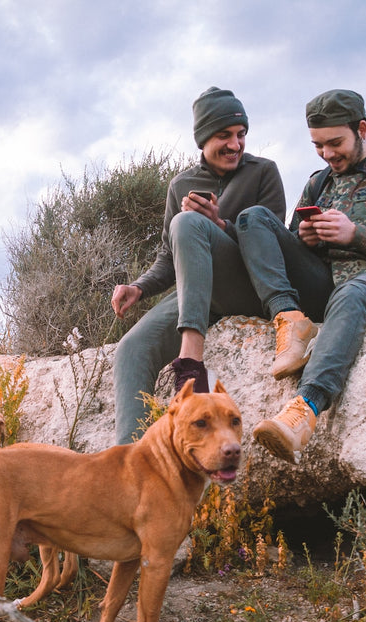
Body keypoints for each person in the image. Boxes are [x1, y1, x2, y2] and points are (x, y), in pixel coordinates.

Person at [234, 89, 366, 463]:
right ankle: (290, 320)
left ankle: (306, 408)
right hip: (327, 285)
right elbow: (294, 238)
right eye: (318, 146)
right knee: (252, 218)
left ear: (361, 129)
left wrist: (355, 234)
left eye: (335, 143)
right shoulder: (318, 183)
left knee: (352, 293)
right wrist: (306, 239)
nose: (327, 154)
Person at [110, 87, 286, 444]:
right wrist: (139, 287)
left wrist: (220, 227)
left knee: (189, 224)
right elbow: (167, 257)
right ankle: (132, 463)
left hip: (246, 286)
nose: (235, 145)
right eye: (225, 136)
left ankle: (191, 366)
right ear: (203, 139)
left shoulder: (263, 173)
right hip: (198, 293)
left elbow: (275, 248)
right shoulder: (182, 185)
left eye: (241, 135)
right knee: (131, 348)